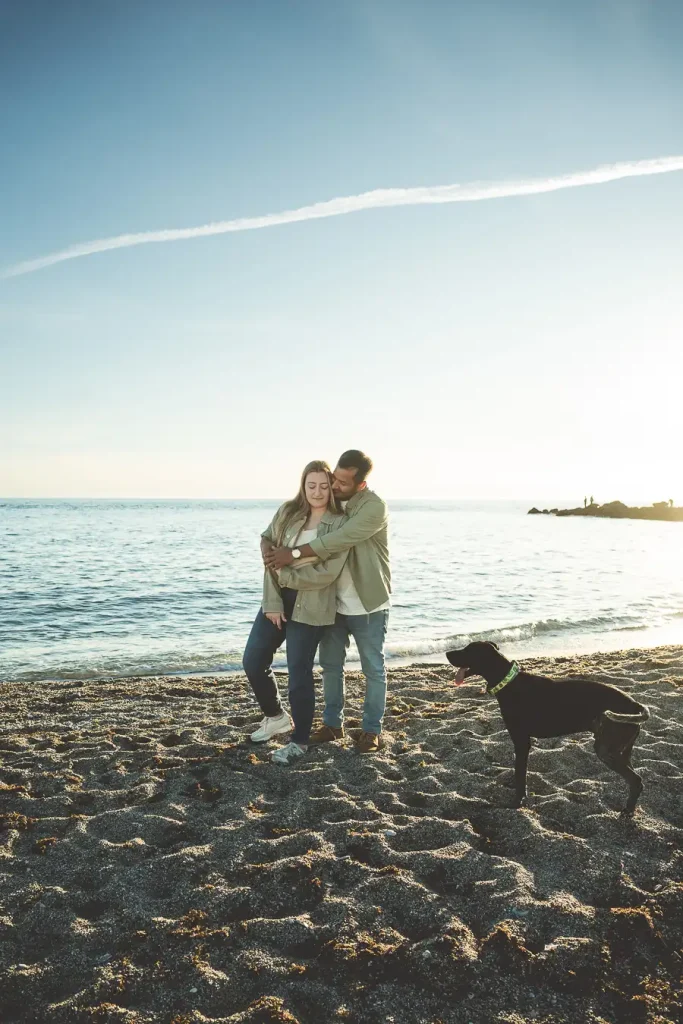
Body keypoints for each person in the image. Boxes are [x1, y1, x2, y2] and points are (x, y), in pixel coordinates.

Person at [265, 450, 390, 753]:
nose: (334, 485)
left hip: (367, 604)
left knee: (373, 668)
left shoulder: (373, 507)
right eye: (334, 476)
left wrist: (294, 554)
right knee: (330, 666)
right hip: (331, 603)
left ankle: (372, 730)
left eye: (343, 482)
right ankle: (333, 725)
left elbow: (340, 539)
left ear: (360, 484)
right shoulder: (331, 501)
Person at [243, 461, 349, 765]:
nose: (317, 492)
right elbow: (268, 541)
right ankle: (275, 716)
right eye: (311, 485)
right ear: (303, 485)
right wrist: (268, 554)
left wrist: (286, 569)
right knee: (253, 660)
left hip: (313, 603)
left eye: (324, 486)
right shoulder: (289, 511)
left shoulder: (340, 522)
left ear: (331, 487)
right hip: (276, 598)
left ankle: (299, 741)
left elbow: (327, 572)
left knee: (298, 673)